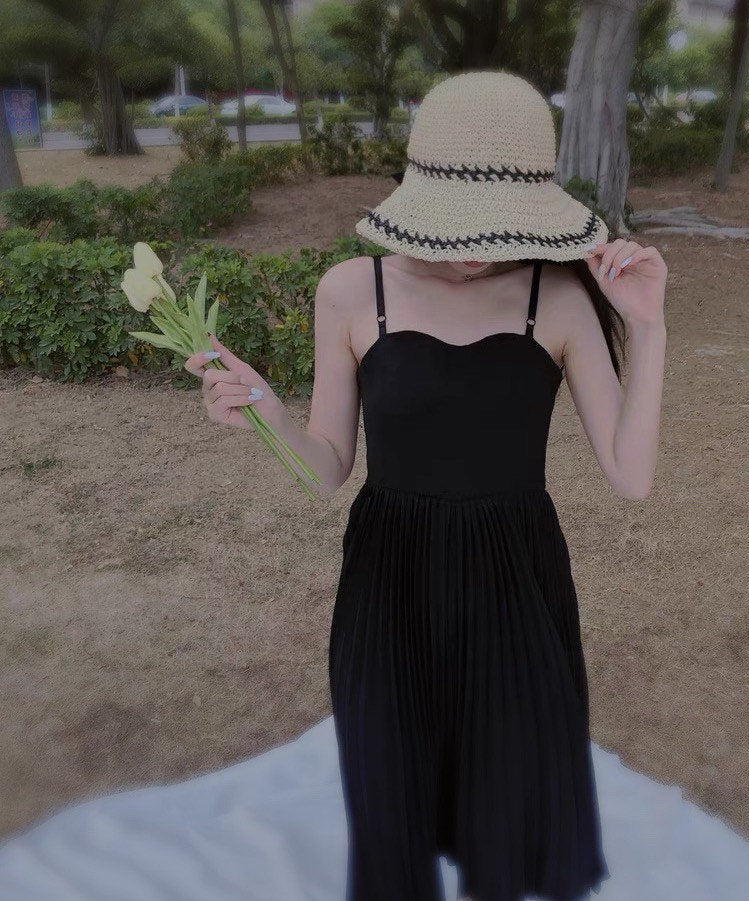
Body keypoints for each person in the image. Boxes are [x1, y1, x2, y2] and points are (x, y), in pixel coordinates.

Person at [184, 71, 667, 901]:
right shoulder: (350, 289)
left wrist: (649, 324)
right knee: (391, 790)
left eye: (496, 224)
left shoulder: (555, 297)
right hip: (390, 579)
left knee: (509, 806)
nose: (476, 243)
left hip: (516, 585)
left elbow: (630, 477)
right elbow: (328, 466)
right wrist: (261, 408)